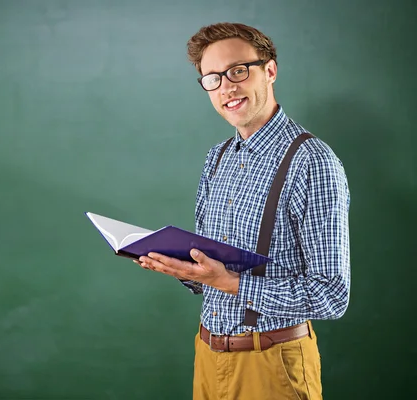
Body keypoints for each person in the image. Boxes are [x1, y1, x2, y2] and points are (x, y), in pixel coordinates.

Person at [135, 22, 351, 399]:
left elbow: (331, 295)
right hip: (207, 355)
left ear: (269, 70)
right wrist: (180, 267)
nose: (226, 88)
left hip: (272, 363)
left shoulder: (311, 161)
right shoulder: (216, 157)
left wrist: (229, 282)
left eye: (238, 71)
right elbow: (214, 267)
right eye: (212, 79)